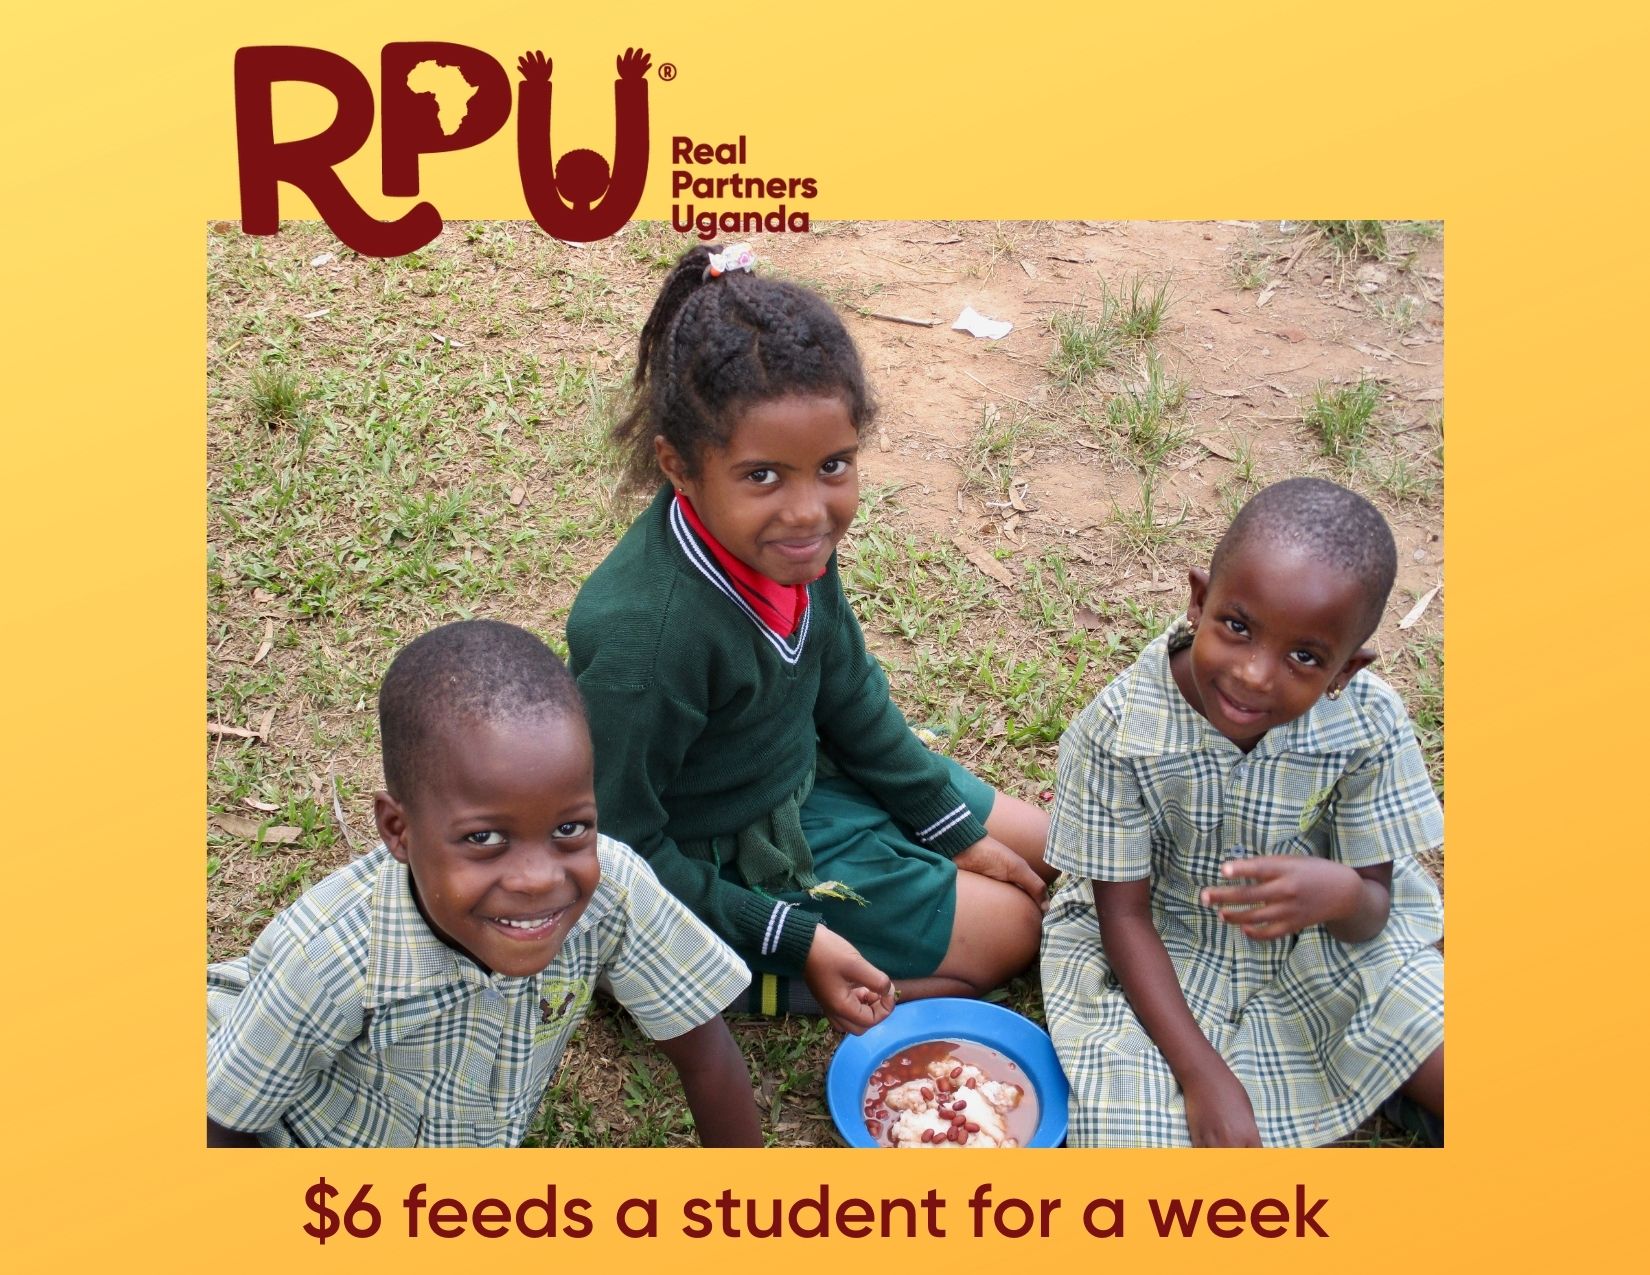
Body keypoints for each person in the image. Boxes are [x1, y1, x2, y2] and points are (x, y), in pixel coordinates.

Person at [567, 244, 1052, 1035]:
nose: (808, 510)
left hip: (804, 777)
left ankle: (893, 884)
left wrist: (950, 827)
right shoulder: (645, 641)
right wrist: (793, 936)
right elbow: (617, 848)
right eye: (763, 475)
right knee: (1016, 929)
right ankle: (747, 983)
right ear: (679, 467)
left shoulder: (789, 550)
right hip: (717, 863)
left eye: (833, 464)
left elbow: (849, 692)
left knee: (1053, 847)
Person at [206, 619, 761, 1147]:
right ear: (399, 831)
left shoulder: (613, 890)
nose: (538, 879)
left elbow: (705, 1051)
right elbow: (222, 1122)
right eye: (484, 839)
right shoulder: (327, 959)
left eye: (569, 828)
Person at [1040, 477, 1445, 1147]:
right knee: (1131, 1135)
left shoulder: (1367, 721)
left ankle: (1400, 1083)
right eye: (1238, 626)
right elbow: (1123, 916)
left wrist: (1341, 890)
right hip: (1155, 952)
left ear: (1346, 670)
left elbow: (1373, 908)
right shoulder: (1118, 727)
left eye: (1305, 656)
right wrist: (1203, 1075)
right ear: (1199, 601)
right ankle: (1382, 1084)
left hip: (1320, 939)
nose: (1257, 674)